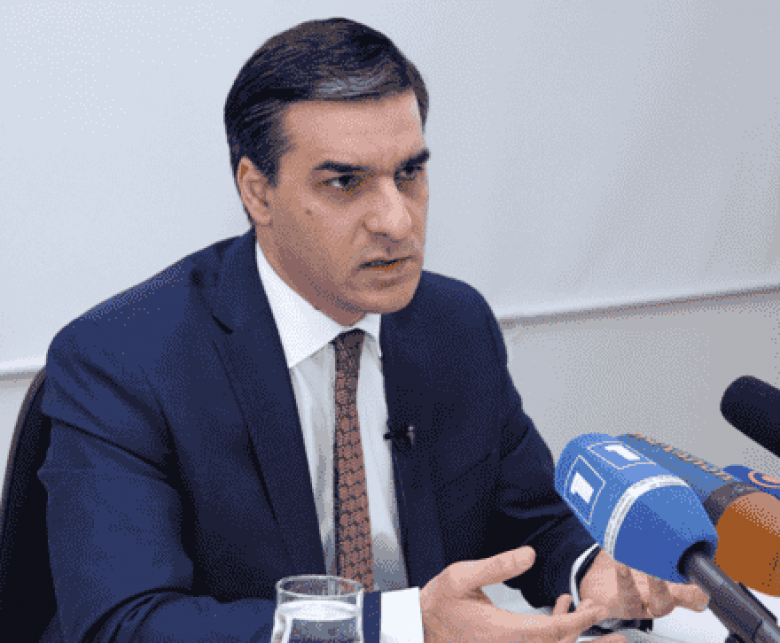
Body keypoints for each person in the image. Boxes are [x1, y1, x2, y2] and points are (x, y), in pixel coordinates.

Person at [38, 17, 708, 643]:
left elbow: (533, 519)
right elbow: (125, 623)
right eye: (344, 183)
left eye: (410, 173)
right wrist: (405, 626)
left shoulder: (453, 324)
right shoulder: (124, 360)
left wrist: (593, 572)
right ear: (257, 190)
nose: (397, 220)